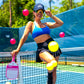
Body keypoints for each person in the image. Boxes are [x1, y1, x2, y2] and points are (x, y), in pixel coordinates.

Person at [11, 3, 64, 84]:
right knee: (52, 62)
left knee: (54, 70)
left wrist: (51, 16)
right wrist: (18, 49)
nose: (40, 13)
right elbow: (24, 37)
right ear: (34, 12)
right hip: (42, 48)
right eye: (38, 11)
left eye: (41, 12)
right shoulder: (31, 24)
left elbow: (60, 23)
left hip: (53, 45)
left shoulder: (46, 24)